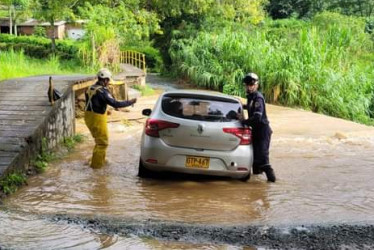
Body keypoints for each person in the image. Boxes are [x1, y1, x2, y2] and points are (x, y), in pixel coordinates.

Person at [84, 68, 137, 168]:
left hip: (88, 117)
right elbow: (115, 103)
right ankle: (96, 168)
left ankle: (99, 160)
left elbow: (92, 102)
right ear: (105, 80)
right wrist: (131, 102)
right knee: (102, 143)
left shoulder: (90, 88)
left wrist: (106, 110)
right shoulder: (102, 92)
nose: (108, 83)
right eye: (108, 81)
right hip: (97, 118)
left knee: (98, 141)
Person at [240, 73, 276, 182]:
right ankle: (257, 188)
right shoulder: (251, 97)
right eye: (247, 85)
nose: (249, 87)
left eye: (251, 85)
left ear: (256, 85)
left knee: (263, 160)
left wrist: (243, 121)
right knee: (255, 161)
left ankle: (272, 183)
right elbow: (249, 106)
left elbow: (257, 118)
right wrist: (240, 106)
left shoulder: (258, 98)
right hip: (255, 131)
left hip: (262, 132)